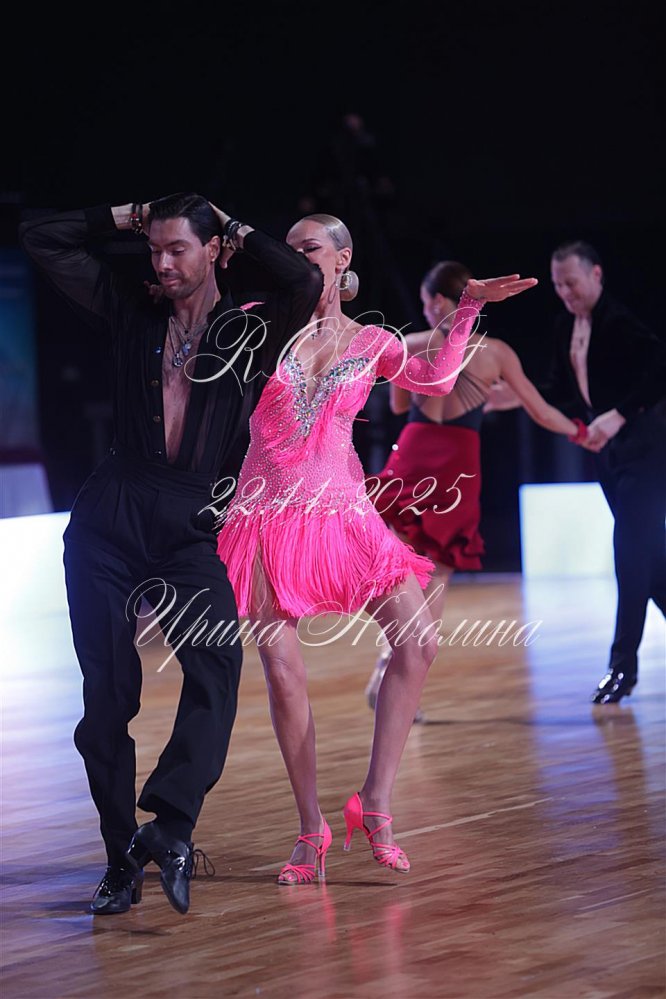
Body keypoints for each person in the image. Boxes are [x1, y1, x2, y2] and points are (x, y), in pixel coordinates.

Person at [18, 194, 323, 914]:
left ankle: (172, 826)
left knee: (217, 666)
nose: (161, 263)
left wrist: (235, 225)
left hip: (193, 522)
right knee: (107, 699)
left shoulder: (252, 328)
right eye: (153, 249)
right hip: (111, 517)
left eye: (177, 248)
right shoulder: (132, 308)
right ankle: (119, 858)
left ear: (213, 250)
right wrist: (127, 217)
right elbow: (42, 236)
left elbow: (305, 281)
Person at [216, 214, 537, 884]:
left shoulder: (372, 341)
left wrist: (469, 305)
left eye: (310, 248)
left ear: (342, 259)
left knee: (418, 641)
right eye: (288, 249)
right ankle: (311, 827)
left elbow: (437, 378)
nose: (296, 258)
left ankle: (376, 802)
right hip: (266, 514)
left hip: (345, 514)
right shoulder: (258, 325)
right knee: (282, 673)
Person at [364, 260, 581, 718]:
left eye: (427, 303)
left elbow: (400, 406)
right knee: (438, 575)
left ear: (438, 301)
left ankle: (388, 659)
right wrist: (580, 432)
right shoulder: (495, 352)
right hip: (459, 464)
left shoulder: (412, 344)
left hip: (415, 452)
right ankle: (406, 684)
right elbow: (540, 410)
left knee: (400, 569)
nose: (426, 311)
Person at [546, 241, 666, 704]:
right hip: (609, 457)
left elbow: (660, 371)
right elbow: (557, 389)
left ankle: (622, 669)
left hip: (646, 452)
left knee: (630, 556)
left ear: (596, 274)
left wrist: (619, 414)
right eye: (558, 285)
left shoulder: (620, 321)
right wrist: (513, 396)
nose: (565, 292)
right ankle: (623, 667)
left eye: (572, 283)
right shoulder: (565, 327)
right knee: (652, 562)